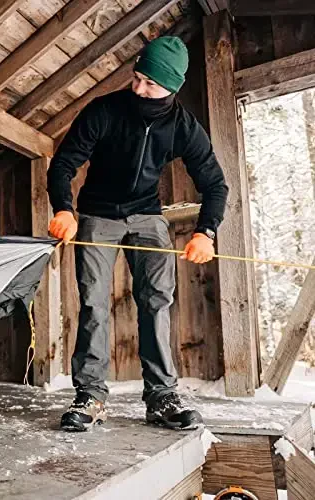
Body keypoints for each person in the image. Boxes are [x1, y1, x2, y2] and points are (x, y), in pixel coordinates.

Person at [47, 36, 229, 432]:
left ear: (171, 87)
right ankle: (90, 395)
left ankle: (162, 396)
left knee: (157, 300)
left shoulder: (183, 126)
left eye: (150, 83)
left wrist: (206, 233)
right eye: (137, 77)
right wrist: (63, 208)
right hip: (98, 215)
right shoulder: (104, 111)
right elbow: (63, 163)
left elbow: (215, 184)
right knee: (94, 302)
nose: (139, 88)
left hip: (147, 215)